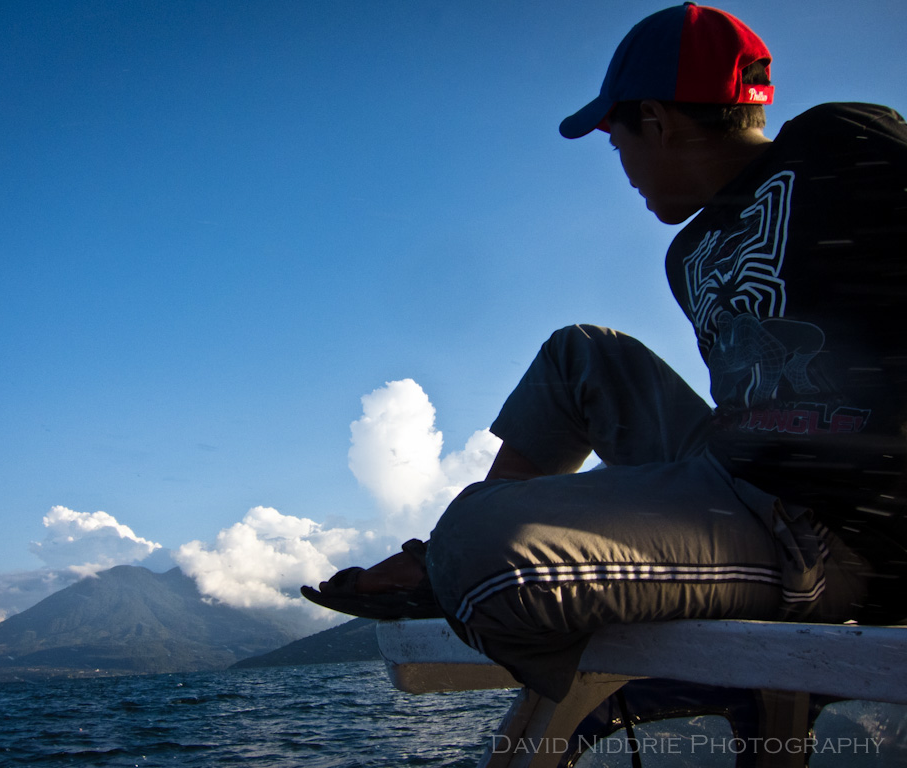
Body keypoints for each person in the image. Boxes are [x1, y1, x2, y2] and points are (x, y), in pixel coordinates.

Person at [304, 2, 907, 705]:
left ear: (655, 120)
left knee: (474, 543)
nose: (620, 165)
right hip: (742, 476)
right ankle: (443, 565)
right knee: (580, 353)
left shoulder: (841, 142)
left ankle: (456, 568)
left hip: (836, 531)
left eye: (615, 139)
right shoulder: (689, 251)